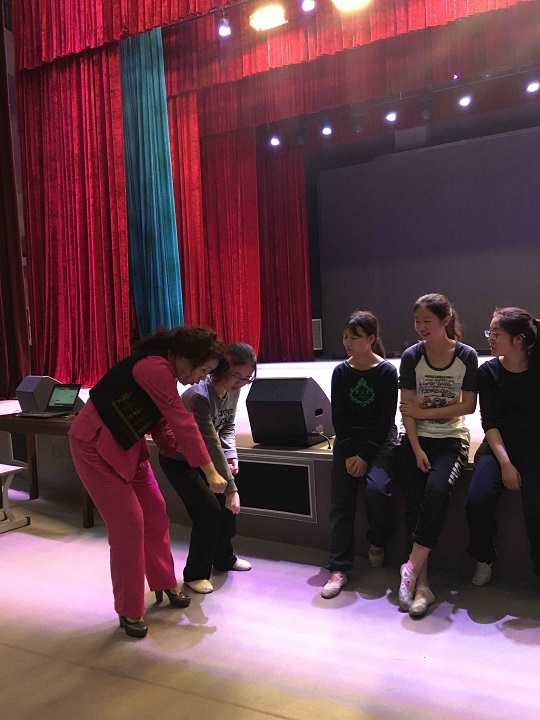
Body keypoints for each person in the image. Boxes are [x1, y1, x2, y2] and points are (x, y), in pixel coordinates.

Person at [68, 326, 228, 638]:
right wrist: (210, 471)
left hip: (128, 446)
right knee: (129, 526)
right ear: (185, 358)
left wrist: (172, 446)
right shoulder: (155, 367)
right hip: (94, 447)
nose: (201, 378)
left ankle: (164, 581)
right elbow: (181, 420)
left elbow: (162, 421)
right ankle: (129, 607)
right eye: (202, 370)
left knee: (156, 513)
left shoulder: (164, 370)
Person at [397, 293, 478, 618]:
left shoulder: (466, 355)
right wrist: (416, 448)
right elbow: (407, 410)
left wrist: (424, 412)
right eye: (417, 321)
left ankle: (410, 569)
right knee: (415, 506)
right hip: (416, 441)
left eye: (427, 321)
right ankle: (422, 586)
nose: (420, 327)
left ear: (445, 321)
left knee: (437, 491)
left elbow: (468, 406)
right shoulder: (412, 356)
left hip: (450, 440)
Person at [155, 343, 257, 594]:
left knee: (227, 510)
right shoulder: (199, 396)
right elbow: (209, 442)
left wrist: (231, 454)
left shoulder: (232, 391)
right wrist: (231, 489)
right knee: (208, 511)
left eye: (247, 378)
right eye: (236, 376)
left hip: (206, 459)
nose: (241, 383)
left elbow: (227, 426)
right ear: (222, 369)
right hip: (179, 461)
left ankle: (223, 558)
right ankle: (195, 574)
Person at [321, 311, 398, 599]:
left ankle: (377, 540)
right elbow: (339, 417)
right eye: (345, 336)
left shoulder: (386, 372)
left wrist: (364, 456)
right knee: (341, 504)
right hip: (349, 440)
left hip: (379, 440)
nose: (347, 342)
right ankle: (338, 567)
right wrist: (351, 452)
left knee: (377, 489)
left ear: (371, 339)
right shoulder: (341, 372)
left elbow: (385, 420)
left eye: (354, 337)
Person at [466, 307, 540, 586]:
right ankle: (484, 557)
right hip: (498, 447)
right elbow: (490, 422)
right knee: (478, 501)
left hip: (533, 447)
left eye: (496, 333)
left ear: (518, 339)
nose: (490, 338)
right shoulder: (488, 371)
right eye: (490, 332)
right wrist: (506, 464)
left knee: (536, 508)